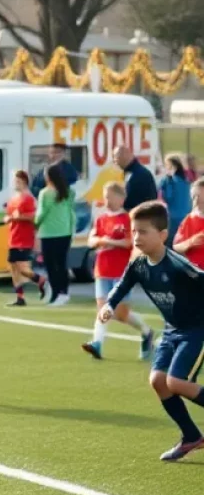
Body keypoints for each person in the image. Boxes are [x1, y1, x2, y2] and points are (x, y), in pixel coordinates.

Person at [101, 200, 204, 462]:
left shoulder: (177, 265)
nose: (136, 237)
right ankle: (191, 436)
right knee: (158, 382)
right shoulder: (138, 265)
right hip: (172, 331)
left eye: (143, 231)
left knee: (175, 382)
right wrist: (110, 306)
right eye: (133, 231)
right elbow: (121, 287)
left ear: (162, 235)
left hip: (196, 330)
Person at [81, 181, 154, 361]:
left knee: (120, 313)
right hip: (102, 269)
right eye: (105, 197)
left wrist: (107, 241)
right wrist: (98, 240)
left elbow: (129, 242)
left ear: (121, 198)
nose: (107, 201)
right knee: (102, 308)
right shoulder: (101, 218)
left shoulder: (128, 219)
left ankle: (146, 332)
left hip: (121, 271)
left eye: (110, 197)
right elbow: (91, 239)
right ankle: (97, 343)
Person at [35, 161, 76, 307]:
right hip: (65, 232)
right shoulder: (68, 192)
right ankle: (62, 293)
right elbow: (71, 212)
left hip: (48, 233)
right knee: (62, 263)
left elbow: (41, 214)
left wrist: (35, 225)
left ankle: (56, 293)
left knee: (51, 265)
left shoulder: (44, 193)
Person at [4, 169, 46, 306]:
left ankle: (41, 280)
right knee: (13, 268)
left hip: (24, 238)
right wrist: (8, 218)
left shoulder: (28, 198)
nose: (15, 183)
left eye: (18, 181)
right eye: (15, 180)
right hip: (13, 237)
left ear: (24, 181)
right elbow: (10, 215)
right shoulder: (12, 199)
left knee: (22, 268)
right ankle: (20, 297)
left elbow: (33, 217)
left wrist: (18, 217)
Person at [111, 144, 158, 211]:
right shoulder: (131, 172)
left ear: (124, 155)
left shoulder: (139, 174)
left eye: (115, 157)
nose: (114, 161)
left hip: (142, 216)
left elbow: (132, 200)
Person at [173, 178, 204, 270]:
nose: (197, 200)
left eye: (201, 196)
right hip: (196, 272)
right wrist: (191, 242)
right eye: (194, 196)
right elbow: (176, 246)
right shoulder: (189, 220)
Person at [159, 154, 191, 243]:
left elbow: (168, 197)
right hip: (186, 215)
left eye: (166, 165)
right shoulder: (186, 180)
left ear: (172, 166)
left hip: (173, 217)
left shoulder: (169, 180)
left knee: (170, 243)